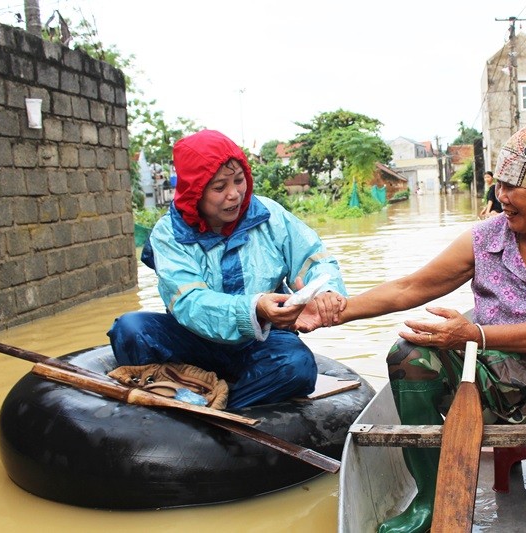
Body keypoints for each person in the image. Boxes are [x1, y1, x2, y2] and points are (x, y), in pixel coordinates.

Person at [312, 118, 526, 533]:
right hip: (484, 385)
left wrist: (474, 334)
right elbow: (410, 287)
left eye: (512, 187)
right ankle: (429, 500)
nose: (500, 197)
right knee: (409, 354)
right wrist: (333, 312)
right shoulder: (484, 238)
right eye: (498, 184)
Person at [108, 129, 347, 409]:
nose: (234, 195)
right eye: (219, 187)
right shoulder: (168, 233)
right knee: (129, 328)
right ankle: (193, 395)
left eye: (239, 180)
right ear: (195, 191)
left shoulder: (270, 215)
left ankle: (215, 409)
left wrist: (325, 291)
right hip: (192, 339)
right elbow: (190, 302)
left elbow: (314, 259)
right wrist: (254, 307)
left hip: (261, 340)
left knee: (297, 366)